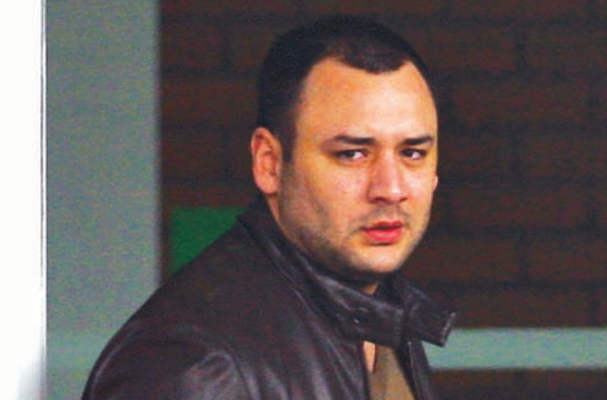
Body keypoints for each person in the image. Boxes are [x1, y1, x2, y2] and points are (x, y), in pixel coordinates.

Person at [83, 14, 458, 400]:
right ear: (270, 163)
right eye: (352, 154)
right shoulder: (193, 365)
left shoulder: (380, 313)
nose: (391, 189)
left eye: (413, 152)